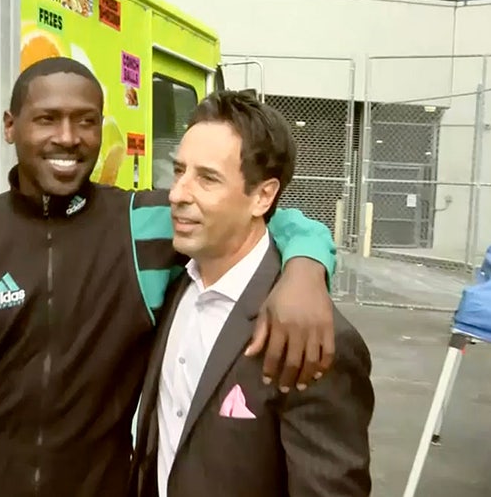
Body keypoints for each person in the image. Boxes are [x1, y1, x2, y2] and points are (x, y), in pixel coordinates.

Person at [0, 57, 338, 497]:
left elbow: (256, 215)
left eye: (86, 121)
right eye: (47, 119)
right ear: (10, 126)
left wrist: (306, 269)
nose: (68, 137)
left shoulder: (143, 226)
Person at [130, 91, 374, 497]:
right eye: (179, 171)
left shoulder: (310, 337)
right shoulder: (172, 279)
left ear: (262, 196)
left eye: (207, 178)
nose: (177, 194)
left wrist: (306, 266)